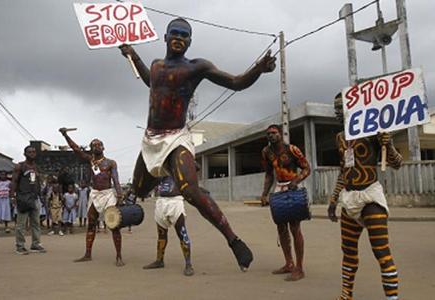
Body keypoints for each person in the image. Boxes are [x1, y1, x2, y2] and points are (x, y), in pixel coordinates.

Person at [119, 18, 276, 271]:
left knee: (191, 191)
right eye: (175, 33)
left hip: (177, 137)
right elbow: (152, 82)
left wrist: (258, 69)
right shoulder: (156, 66)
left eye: (185, 35)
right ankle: (162, 178)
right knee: (137, 190)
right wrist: (132, 54)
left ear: (190, 41)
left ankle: (233, 240)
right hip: (151, 139)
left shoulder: (196, 68)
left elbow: (235, 82)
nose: (179, 38)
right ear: (166, 37)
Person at [328, 93, 402, 300]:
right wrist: (334, 200)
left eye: (345, 106)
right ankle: (346, 296)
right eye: (339, 108)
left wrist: (389, 144)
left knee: (381, 251)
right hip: (349, 198)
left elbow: (397, 163)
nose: (343, 112)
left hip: (370, 198)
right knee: (348, 252)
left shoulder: (373, 132)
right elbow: (344, 172)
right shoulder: (340, 138)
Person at [59, 128, 124, 266]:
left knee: (114, 226)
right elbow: (75, 149)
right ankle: (87, 254)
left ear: (103, 147)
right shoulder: (90, 160)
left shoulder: (111, 163)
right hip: (94, 194)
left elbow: (116, 180)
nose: (96, 146)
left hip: (108, 195)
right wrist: (65, 135)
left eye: (98, 144)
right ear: (91, 148)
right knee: (91, 224)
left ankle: (119, 256)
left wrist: (119, 195)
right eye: (93, 145)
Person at [259, 124, 310, 281]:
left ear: (280, 134)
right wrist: (264, 194)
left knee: (295, 228)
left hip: (293, 188)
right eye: (268, 134)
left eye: (274, 133)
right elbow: (269, 174)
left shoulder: (292, 149)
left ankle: (299, 268)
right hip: (279, 189)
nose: (271, 136)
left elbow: (306, 168)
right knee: (281, 228)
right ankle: (289, 263)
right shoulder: (266, 152)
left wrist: (296, 180)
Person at [143, 176, 193, 276]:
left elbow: (195, 167)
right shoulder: (160, 169)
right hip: (161, 201)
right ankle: (159, 260)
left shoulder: (178, 166)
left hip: (175, 201)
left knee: (182, 234)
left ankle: (188, 264)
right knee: (161, 235)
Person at [10, 145, 46, 255]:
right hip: (23, 198)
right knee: (21, 224)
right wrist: (12, 196)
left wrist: (41, 196)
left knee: (36, 223)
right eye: (29, 152)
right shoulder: (20, 166)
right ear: (25, 154)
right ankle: (20, 246)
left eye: (34, 152)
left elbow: (37, 183)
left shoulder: (36, 167)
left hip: (34, 198)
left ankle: (35, 244)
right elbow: (14, 181)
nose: (32, 154)